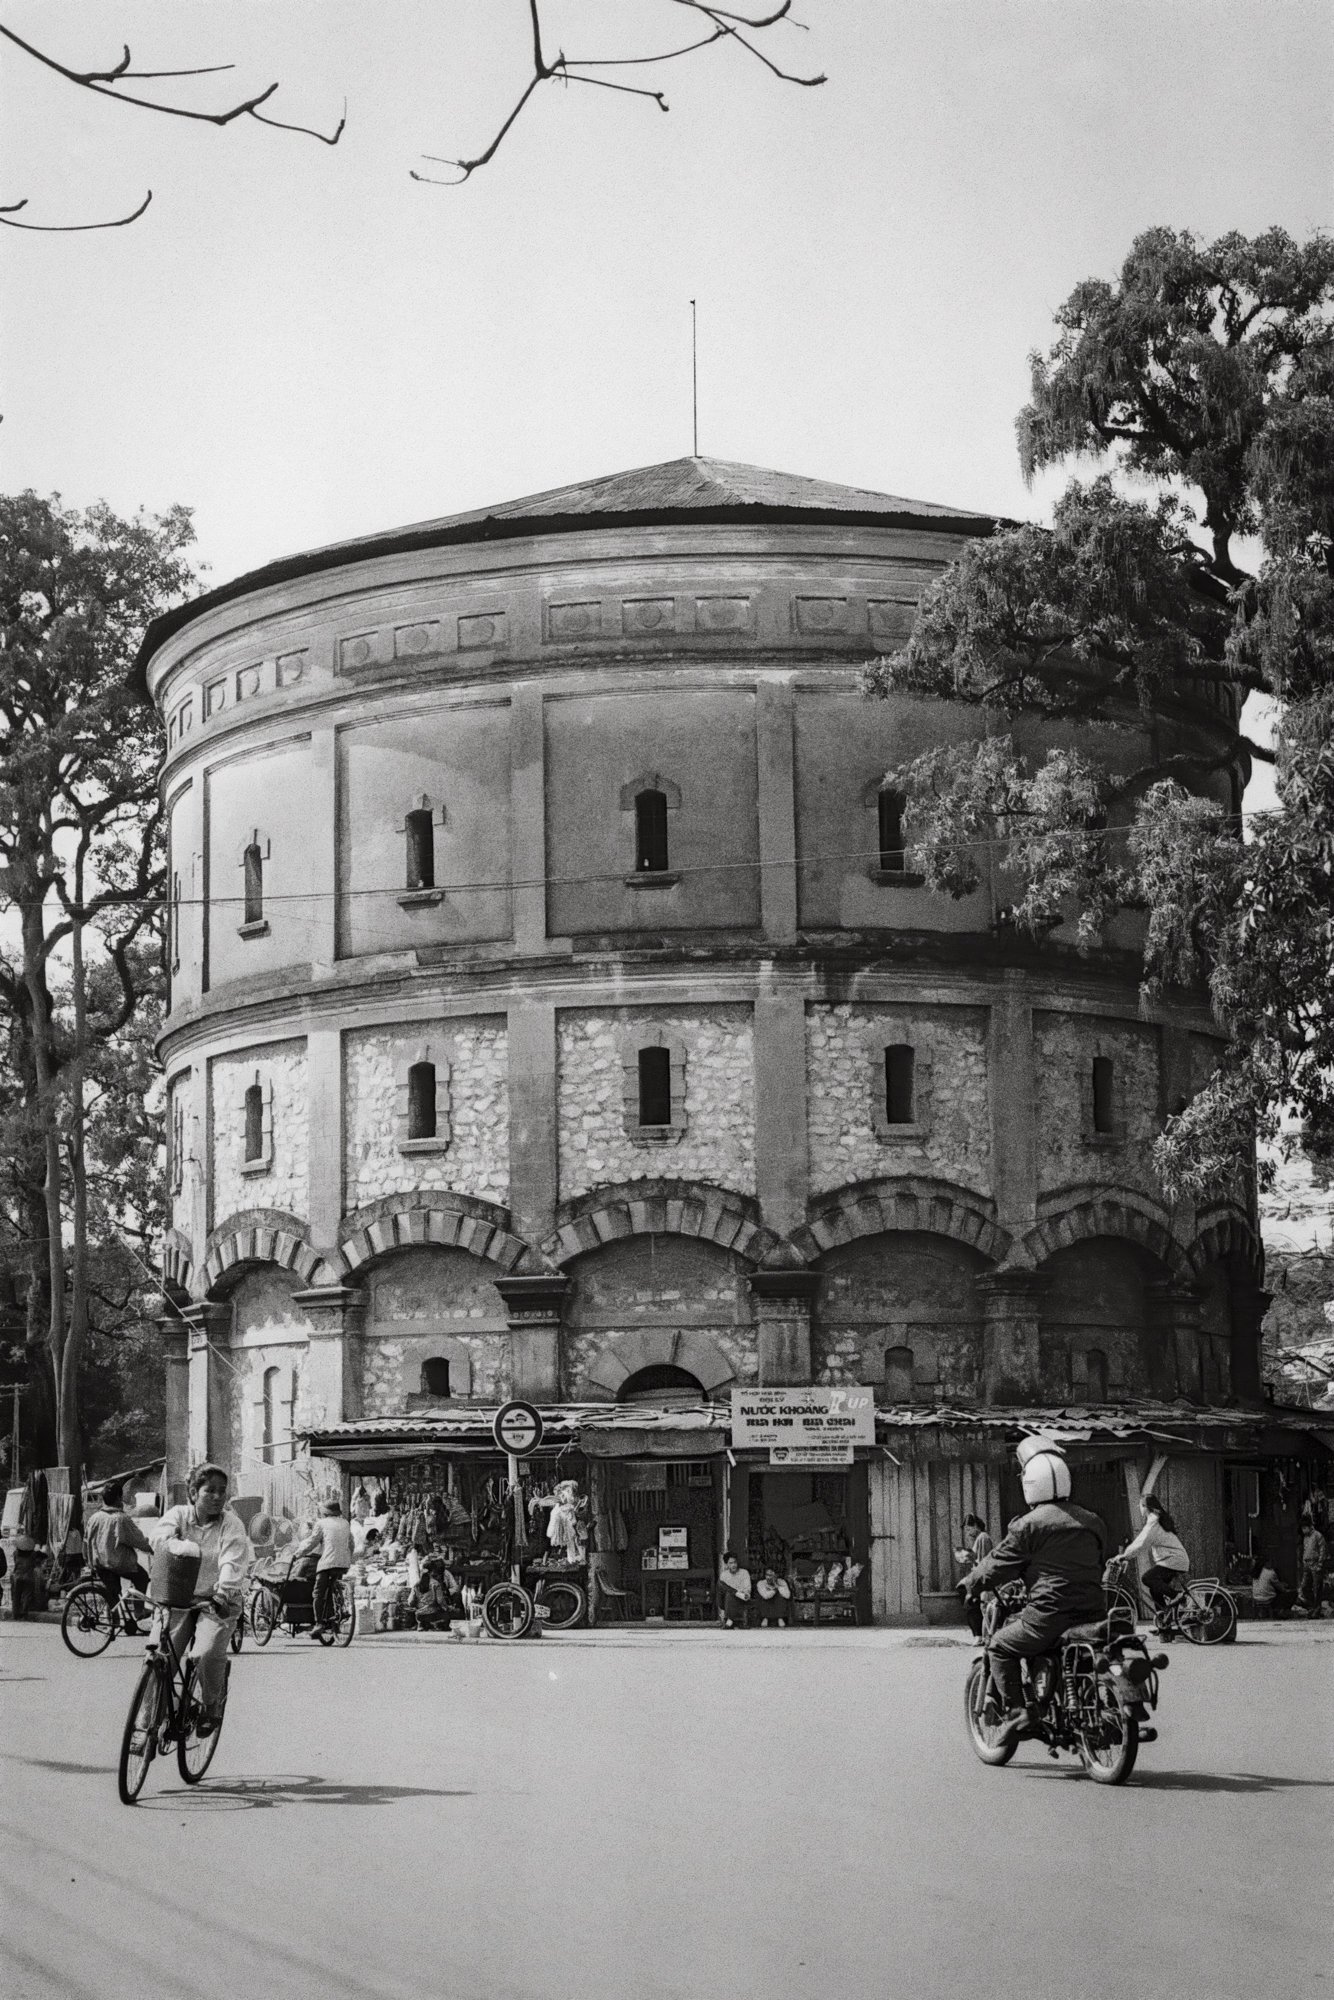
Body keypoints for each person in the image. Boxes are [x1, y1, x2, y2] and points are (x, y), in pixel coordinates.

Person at [963, 1440, 1108, 1744]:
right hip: (1094, 1611)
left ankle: (1020, 1712)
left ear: (1030, 1485)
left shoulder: (1028, 1526)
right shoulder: (1092, 1521)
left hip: (1050, 1615)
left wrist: (971, 1583)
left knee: (1000, 1646)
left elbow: (998, 1564)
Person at [158, 1463, 249, 1731]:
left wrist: (222, 1593)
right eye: (210, 1490)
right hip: (179, 1598)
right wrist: (176, 1544)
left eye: (223, 1491)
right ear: (194, 1492)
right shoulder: (178, 1515)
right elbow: (158, 1537)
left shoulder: (230, 1524)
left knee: (205, 1654)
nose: (218, 1497)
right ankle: (149, 1722)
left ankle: (212, 1703)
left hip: (217, 1600)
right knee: (161, 1657)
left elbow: (232, 1561)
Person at [86, 1480, 153, 1634]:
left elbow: (87, 1541)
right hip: (118, 1562)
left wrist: (89, 1560)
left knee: (112, 1592)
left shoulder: (95, 1517)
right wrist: (151, 1548)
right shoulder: (120, 1518)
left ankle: (114, 1621)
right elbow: (137, 1540)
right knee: (141, 1577)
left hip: (99, 1562)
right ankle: (138, 1611)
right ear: (118, 1498)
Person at [1120, 1493, 1191, 1626]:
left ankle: (1176, 1595)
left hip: (1173, 1560)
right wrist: (1127, 1555)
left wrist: (1125, 1556)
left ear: (1145, 1507)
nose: (1139, 1509)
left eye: (1140, 1506)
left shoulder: (1154, 1520)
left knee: (1147, 1578)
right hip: (1172, 1560)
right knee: (1155, 1589)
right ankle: (1165, 1622)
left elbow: (1142, 1542)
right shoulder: (1156, 1519)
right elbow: (1142, 1540)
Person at [297, 1497, 354, 1636]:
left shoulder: (321, 1523)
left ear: (325, 1513)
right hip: (343, 1563)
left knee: (318, 1593)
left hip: (327, 1563)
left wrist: (298, 1554)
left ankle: (319, 1624)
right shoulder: (345, 1523)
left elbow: (312, 1542)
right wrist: (348, 1557)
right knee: (333, 1588)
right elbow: (351, 1544)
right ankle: (336, 1615)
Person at [955, 1513, 995, 1640]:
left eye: (970, 1528)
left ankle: (979, 1635)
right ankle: (979, 1635)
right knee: (973, 1602)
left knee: (974, 1602)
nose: (968, 1532)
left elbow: (983, 1561)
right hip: (980, 1576)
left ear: (977, 1526)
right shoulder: (979, 1539)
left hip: (983, 1578)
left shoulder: (982, 1537)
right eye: (966, 1529)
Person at [716, 1550, 753, 1628]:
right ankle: (735, 1593)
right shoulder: (724, 1575)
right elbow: (722, 1592)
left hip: (741, 1599)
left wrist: (740, 1593)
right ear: (726, 1564)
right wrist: (735, 1592)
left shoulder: (744, 1573)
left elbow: (747, 1589)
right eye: (731, 1563)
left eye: (735, 1562)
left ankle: (729, 1620)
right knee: (720, 1584)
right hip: (727, 1601)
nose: (734, 1565)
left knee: (729, 1594)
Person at [1298, 1522, 1328, 1616]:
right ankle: (1312, 1606)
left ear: (1310, 1527)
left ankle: (1316, 1610)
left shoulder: (1318, 1536)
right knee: (1305, 1587)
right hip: (1307, 1564)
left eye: (1305, 1528)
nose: (1303, 1530)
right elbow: (1305, 1550)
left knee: (1317, 1588)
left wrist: (1320, 1564)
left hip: (1315, 1564)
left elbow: (1323, 1550)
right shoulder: (1306, 1537)